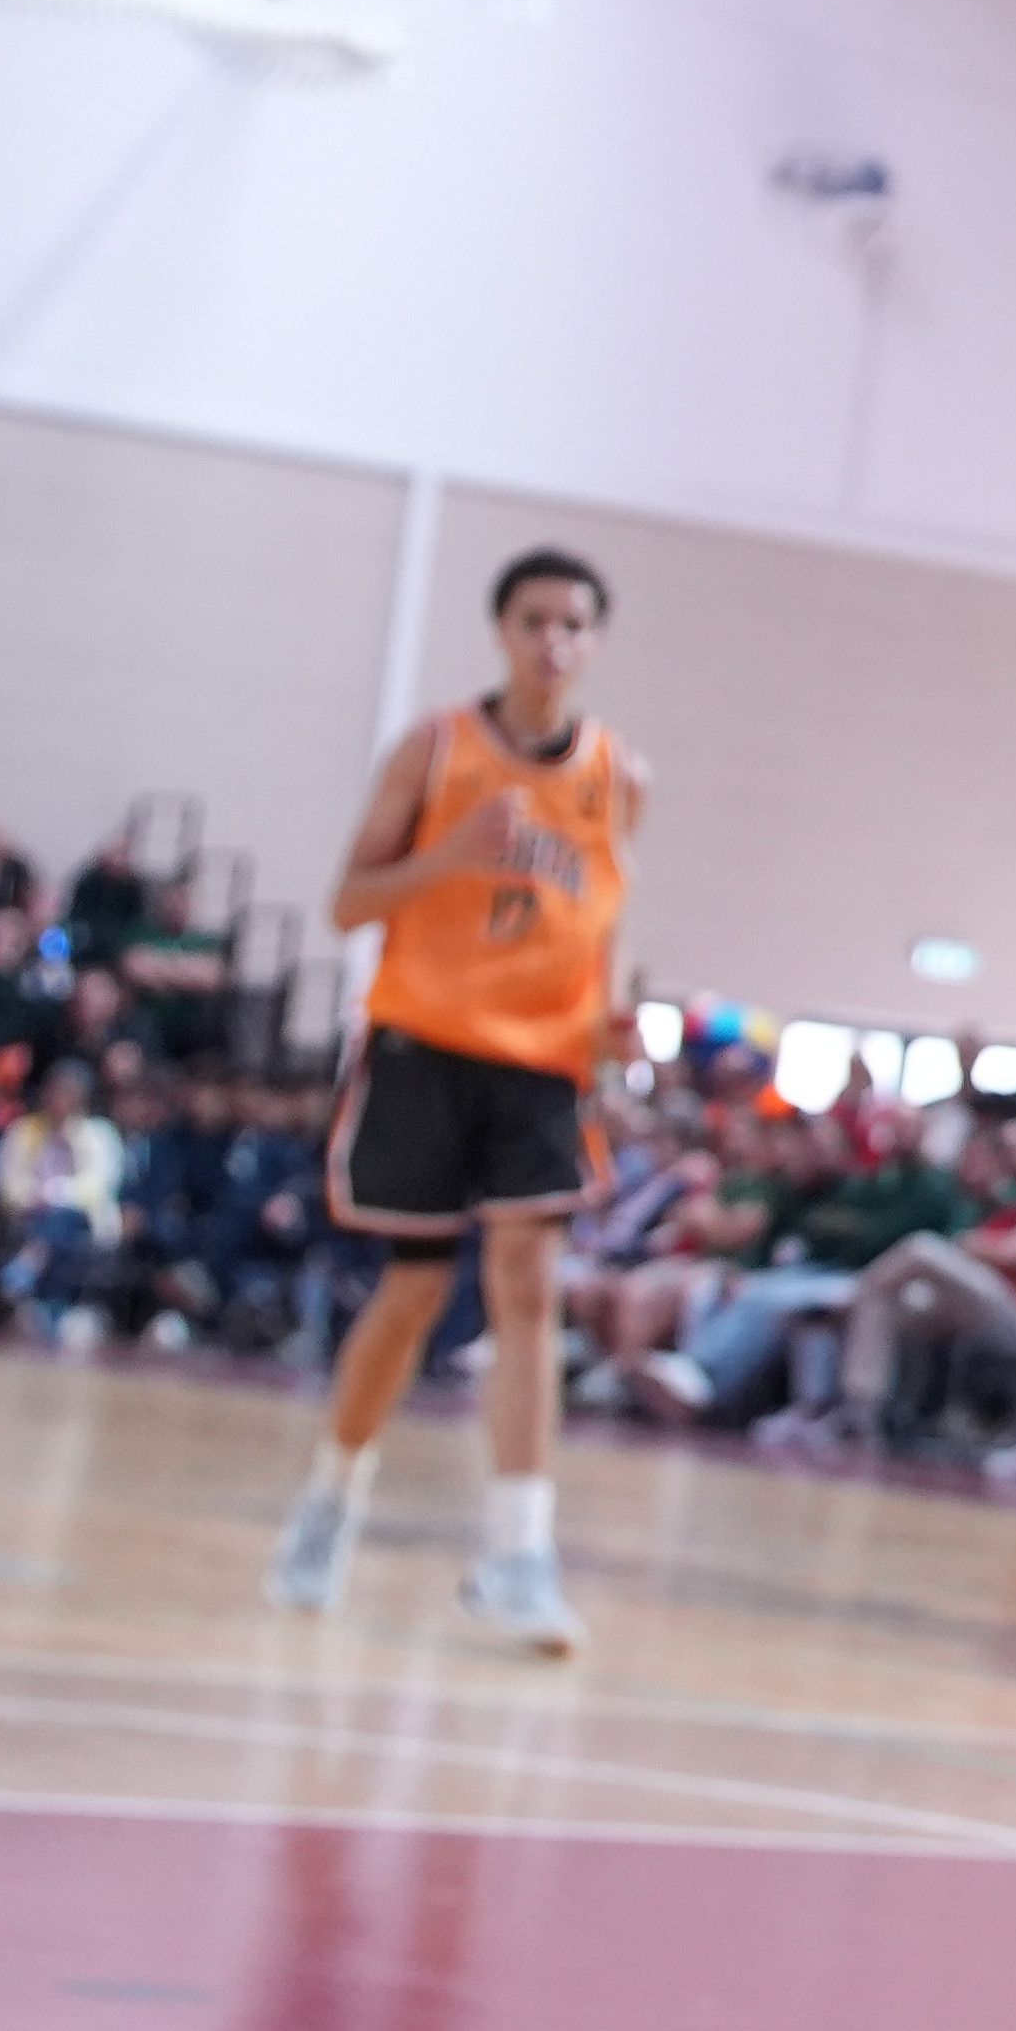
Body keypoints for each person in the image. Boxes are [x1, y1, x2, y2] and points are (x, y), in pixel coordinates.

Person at [270, 547, 645, 1649]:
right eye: (535, 621)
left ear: (594, 641)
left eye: (575, 624)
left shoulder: (621, 775)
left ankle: (518, 1554)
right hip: (427, 1043)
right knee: (413, 1294)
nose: (554, 642)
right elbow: (348, 902)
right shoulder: (437, 749)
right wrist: (446, 857)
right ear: (500, 630)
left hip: (542, 1062)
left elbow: (603, 920)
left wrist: (609, 1028)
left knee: (529, 1283)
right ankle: (329, 1501)